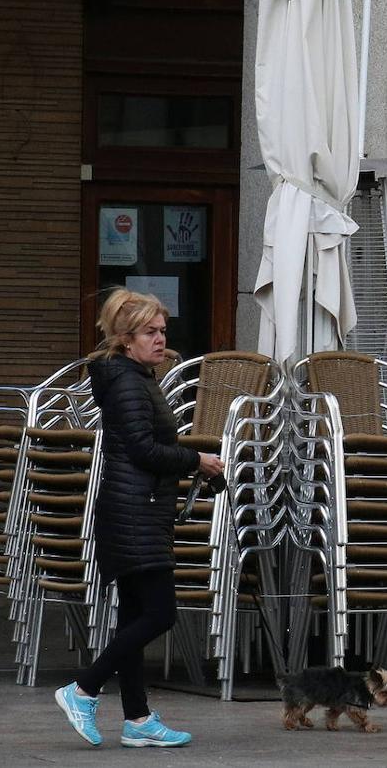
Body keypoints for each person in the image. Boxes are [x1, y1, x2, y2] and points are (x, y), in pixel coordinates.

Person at [54, 289, 224, 748]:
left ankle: (137, 719)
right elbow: (142, 449)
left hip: (137, 508)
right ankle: (83, 689)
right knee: (160, 613)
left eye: (163, 330)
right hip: (135, 511)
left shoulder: (135, 376)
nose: (160, 338)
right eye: (150, 331)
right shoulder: (129, 383)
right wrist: (197, 460)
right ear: (126, 339)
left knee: (133, 615)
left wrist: (190, 461)